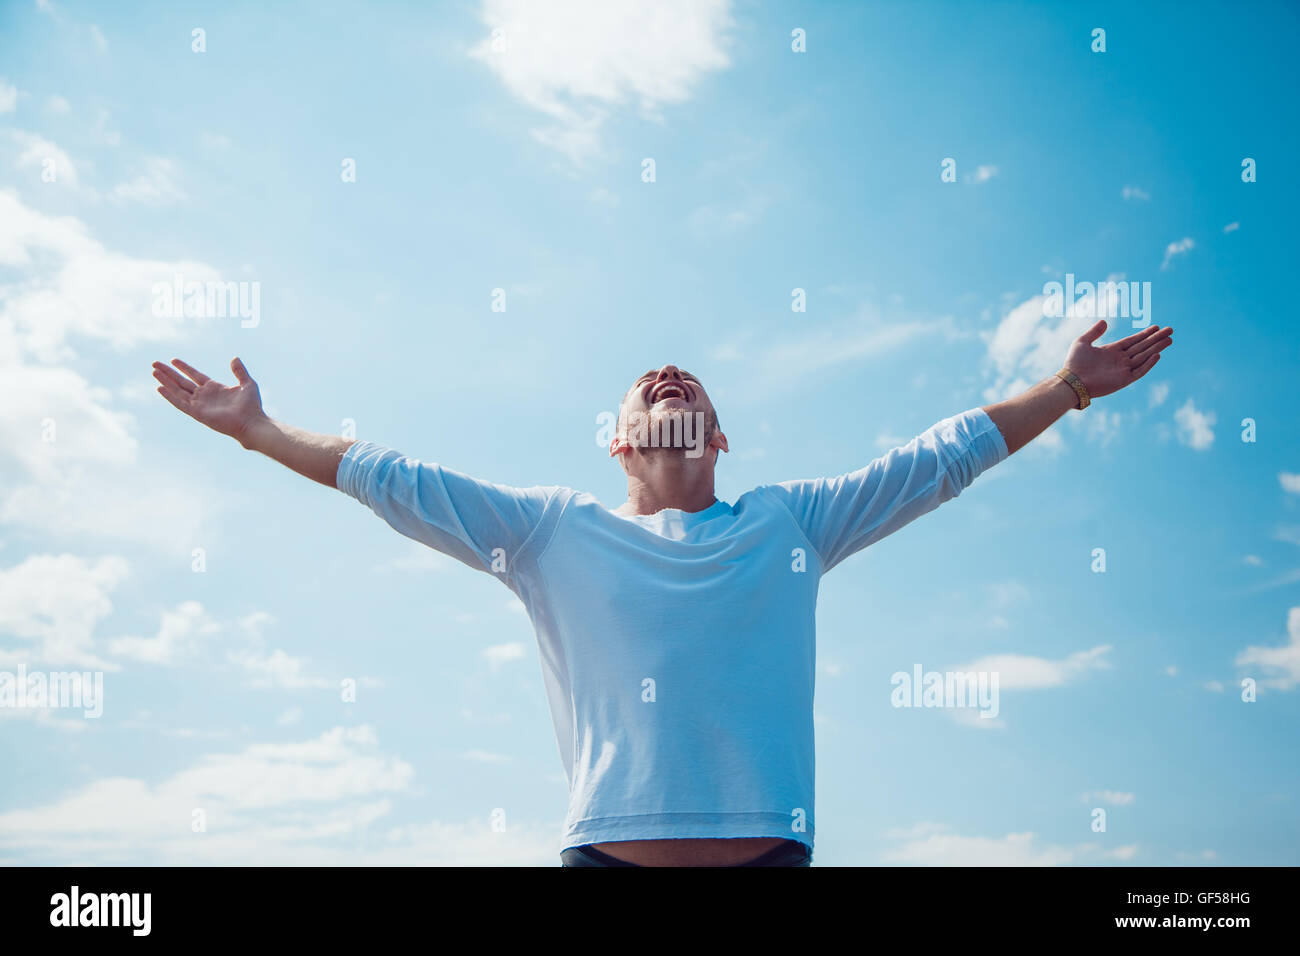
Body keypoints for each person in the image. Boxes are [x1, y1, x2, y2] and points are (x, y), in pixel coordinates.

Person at [152, 318, 1173, 867]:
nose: (670, 374)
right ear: (616, 438)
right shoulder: (547, 532)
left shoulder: (792, 523)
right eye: (649, 381)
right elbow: (384, 472)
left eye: (688, 381)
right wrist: (257, 429)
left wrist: (1068, 386)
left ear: (718, 436)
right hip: (605, 862)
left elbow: (940, 456)